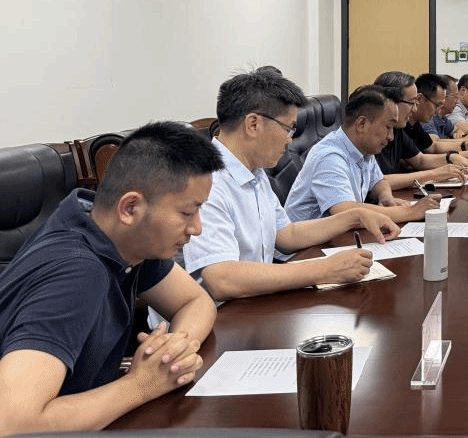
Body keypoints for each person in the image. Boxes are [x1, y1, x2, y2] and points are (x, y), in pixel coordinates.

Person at [0, 122, 221, 432]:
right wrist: (142, 384)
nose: (197, 228)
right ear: (129, 207)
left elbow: (195, 301)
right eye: (187, 213)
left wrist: (174, 351)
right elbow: (13, 424)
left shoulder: (117, 233)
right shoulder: (77, 273)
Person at [184, 68, 399, 302]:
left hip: (253, 303)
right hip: (220, 316)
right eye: (288, 128)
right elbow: (222, 279)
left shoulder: (254, 171)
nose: (290, 140)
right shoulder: (208, 182)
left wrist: (355, 217)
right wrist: (325, 269)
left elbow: (287, 235)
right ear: (253, 124)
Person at [286, 85, 457, 224]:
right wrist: (410, 212)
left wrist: (386, 197)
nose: (391, 136)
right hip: (305, 251)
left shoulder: (363, 148)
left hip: (336, 238)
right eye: (388, 127)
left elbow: (378, 181)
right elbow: (345, 210)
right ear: (362, 123)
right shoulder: (330, 157)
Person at [372, 72, 468, 183]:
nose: (415, 108)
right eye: (411, 102)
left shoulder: (398, 129)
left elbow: (420, 159)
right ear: (390, 102)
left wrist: (452, 157)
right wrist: (435, 173)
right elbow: (377, 182)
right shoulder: (374, 133)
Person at [413, 73, 468, 159]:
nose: (457, 101)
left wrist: (463, 143)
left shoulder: (438, 118)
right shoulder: (424, 119)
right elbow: (433, 146)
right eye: (437, 104)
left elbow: (432, 147)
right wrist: (462, 145)